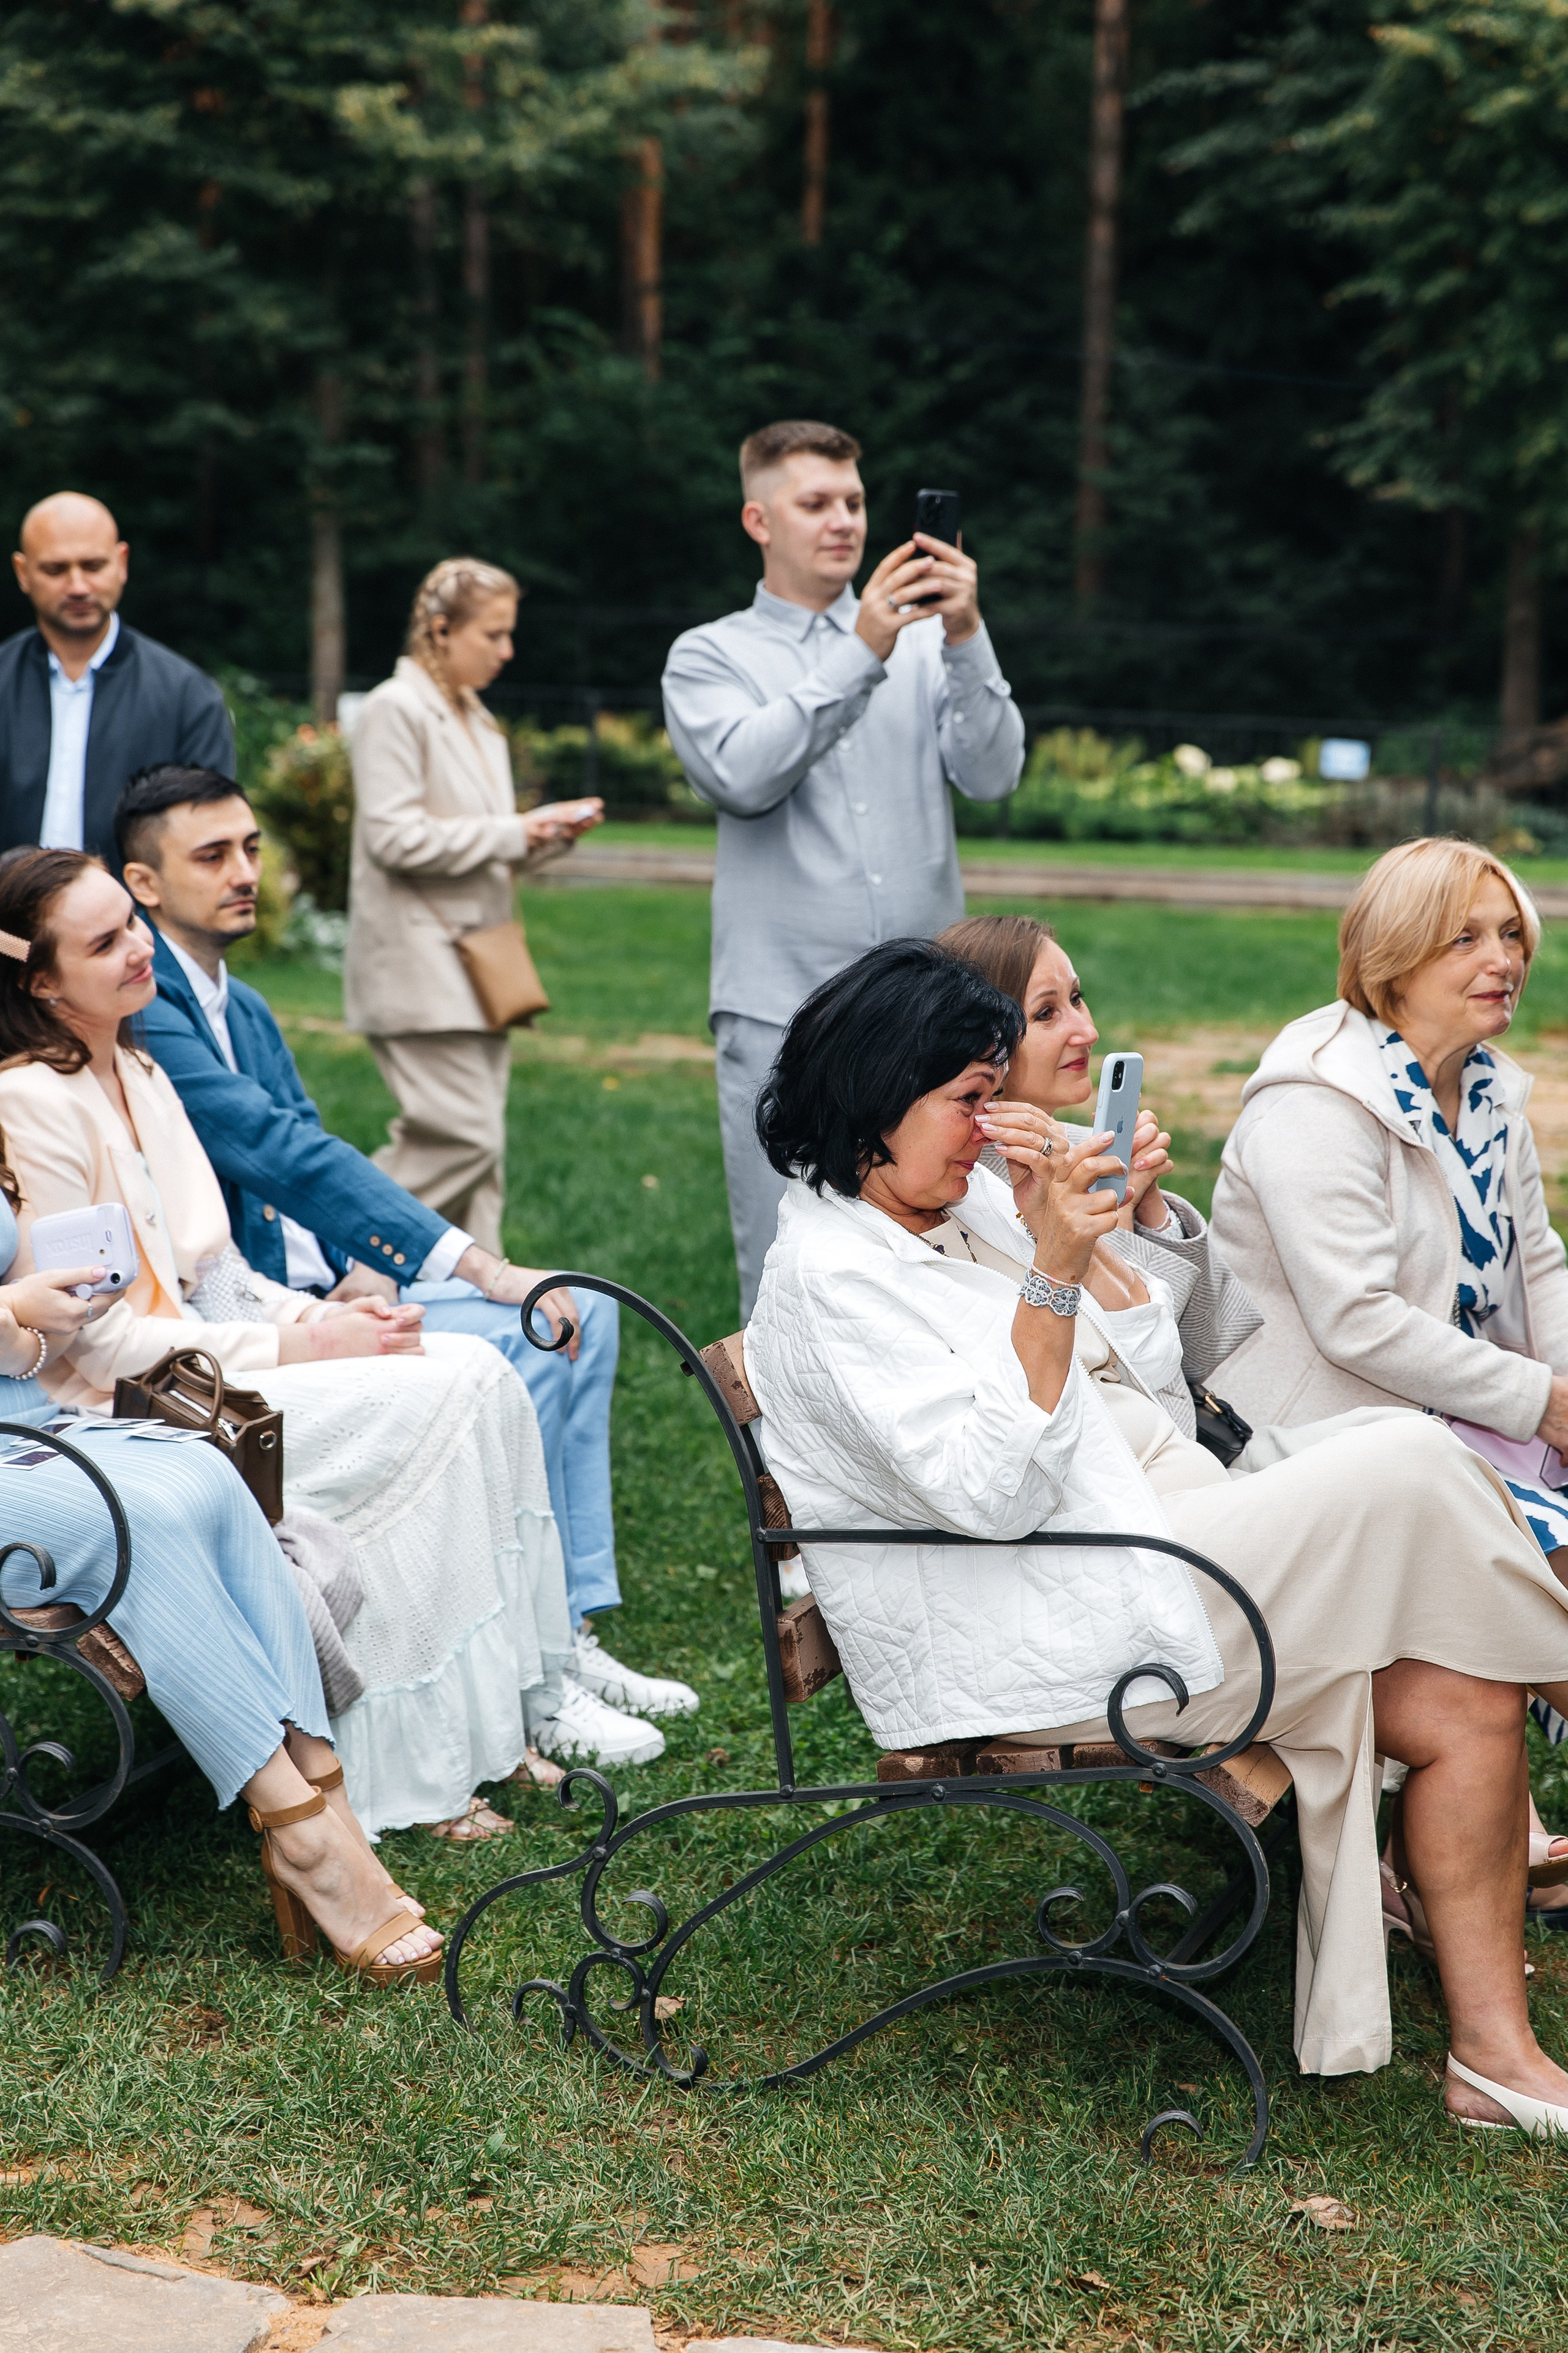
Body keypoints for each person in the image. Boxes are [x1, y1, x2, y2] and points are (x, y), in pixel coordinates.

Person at [745, 937, 1568, 2132]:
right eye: (968, 1100)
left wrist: (1092, 1238)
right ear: (874, 1099)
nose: (989, 1125)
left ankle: (1491, 2061)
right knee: (1412, 1459)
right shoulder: (831, 1279)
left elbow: (1145, 1384)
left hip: (1145, 1546)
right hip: (1055, 1631)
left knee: (1459, 1695)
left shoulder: (934, 1204)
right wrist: (1050, 1272)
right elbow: (986, 1493)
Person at [0, 847, 658, 1845]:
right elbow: (98, 1348)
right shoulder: (32, 1101)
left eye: (131, 926)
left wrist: (319, 1321)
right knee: (416, 1409)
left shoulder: (133, 1062)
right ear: (41, 982)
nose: (141, 949)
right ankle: (406, 1778)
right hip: (123, 1408)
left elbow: (213, 1273)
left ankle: (513, 1712)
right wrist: (313, 1351)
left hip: (194, 1364)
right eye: (106, 942)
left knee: (478, 1374)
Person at [116, 762, 695, 1753]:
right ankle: (536, 1664)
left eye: (251, 847)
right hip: (250, 1316)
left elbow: (309, 1140)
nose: (245, 871)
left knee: (578, 1313)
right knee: (514, 1334)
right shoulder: (149, 1005)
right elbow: (271, 1149)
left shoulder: (242, 1004)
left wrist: (372, 1261)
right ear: (145, 885)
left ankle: (570, 1610)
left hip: (326, 1282)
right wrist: (469, 1265)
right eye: (212, 855)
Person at [1208, 836, 1568, 1925]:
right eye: (1465, 937)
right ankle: (1475, 1835)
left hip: (1446, 1413)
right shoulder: (1317, 1102)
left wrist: (1563, 1382)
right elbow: (1357, 1320)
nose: (1500, 959)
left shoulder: (1489, 1089)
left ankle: (1490, 1833)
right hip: (1317, 1440)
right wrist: (1543, 1404)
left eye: (1510, 935)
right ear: (1391, 960)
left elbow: (1536, 1259)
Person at [0, 1184, 443, 1981]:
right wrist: (11, 1310)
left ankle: (322, 1786)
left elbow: (20, 1351)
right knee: (145, 1519)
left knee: (207, 1470)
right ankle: (302, 1835)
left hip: (28, 1429)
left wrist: (38, 1322)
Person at [661, 418, 1025, 1318]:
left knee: (954, 1246)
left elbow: (994, 773)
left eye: (855, 501)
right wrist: (859, 651)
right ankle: (781, 1461)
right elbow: (742, 776)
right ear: (758, 520)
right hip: (778, 1004)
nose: (843, 521)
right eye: (814, 502)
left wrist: (968, 632)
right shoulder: (708, 655)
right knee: (786, 1262)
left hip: (929, 1016)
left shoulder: (926, 644)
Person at [344, 557, 602, 1258]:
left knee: (481, 1164)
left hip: (483, 967)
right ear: (439, 630)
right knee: (463, 1137)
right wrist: (517, 829)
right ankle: (338, 1243)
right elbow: (392, 838)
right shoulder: (395, 710)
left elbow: (483, 843)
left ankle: (484, 1309)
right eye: (493, 634)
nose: (506, 651)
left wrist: (546, 834)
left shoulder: (476, 719)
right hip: (418, 964)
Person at [937, 913, 1262, 1436]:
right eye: (1046, 1014)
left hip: (1193, 1452)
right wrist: (1122, 1225)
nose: (1086, 1030)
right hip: (1143, 1475)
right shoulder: (977, 1186)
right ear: (977, 1040)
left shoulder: (1079, 1144)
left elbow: (1208, 1346)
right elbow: (1148, 1385)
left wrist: (1151, 1208)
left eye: (1077, 998)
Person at [0, 494, 232, 863]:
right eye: (56, 570)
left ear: (122, 563)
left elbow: (209, 841)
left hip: (134, 919)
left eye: (93, 566)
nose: (78, 586)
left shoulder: (187, 696)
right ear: (23, 573)